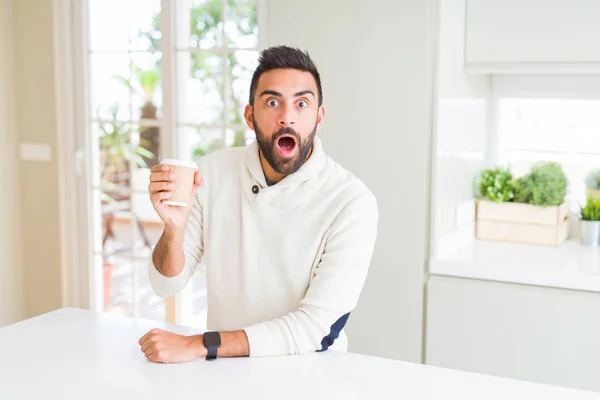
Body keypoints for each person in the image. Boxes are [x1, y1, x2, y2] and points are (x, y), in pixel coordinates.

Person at [138, 45, 378, 363]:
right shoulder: (212, 172)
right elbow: (165, 284)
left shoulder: (351, 202)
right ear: (250, 116)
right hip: (224, 371)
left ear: (319, 118)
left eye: (302, 103)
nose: (287, 117)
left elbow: (315, 328)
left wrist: (201, 344)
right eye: (273, 102)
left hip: (311, 371)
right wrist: (174, 228)